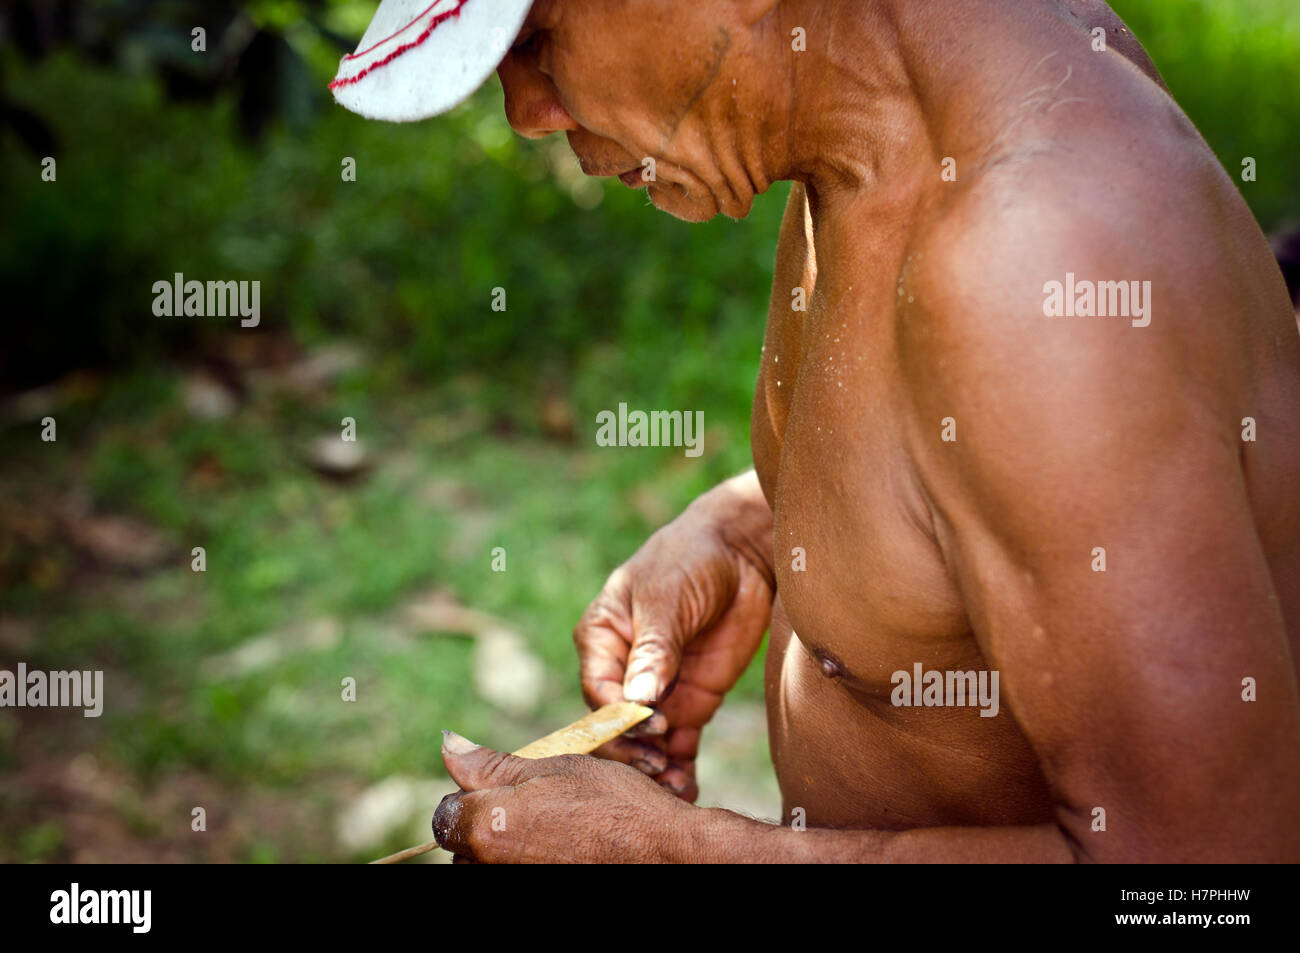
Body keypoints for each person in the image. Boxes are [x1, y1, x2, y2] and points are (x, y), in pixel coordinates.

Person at [336, 0, 1300, 862]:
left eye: (540, 39)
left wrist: (684, 853)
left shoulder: (1036, 260)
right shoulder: (883, 117)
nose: (528, 112)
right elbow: (1016, 467)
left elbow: (1210, 875)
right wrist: (759, 526)